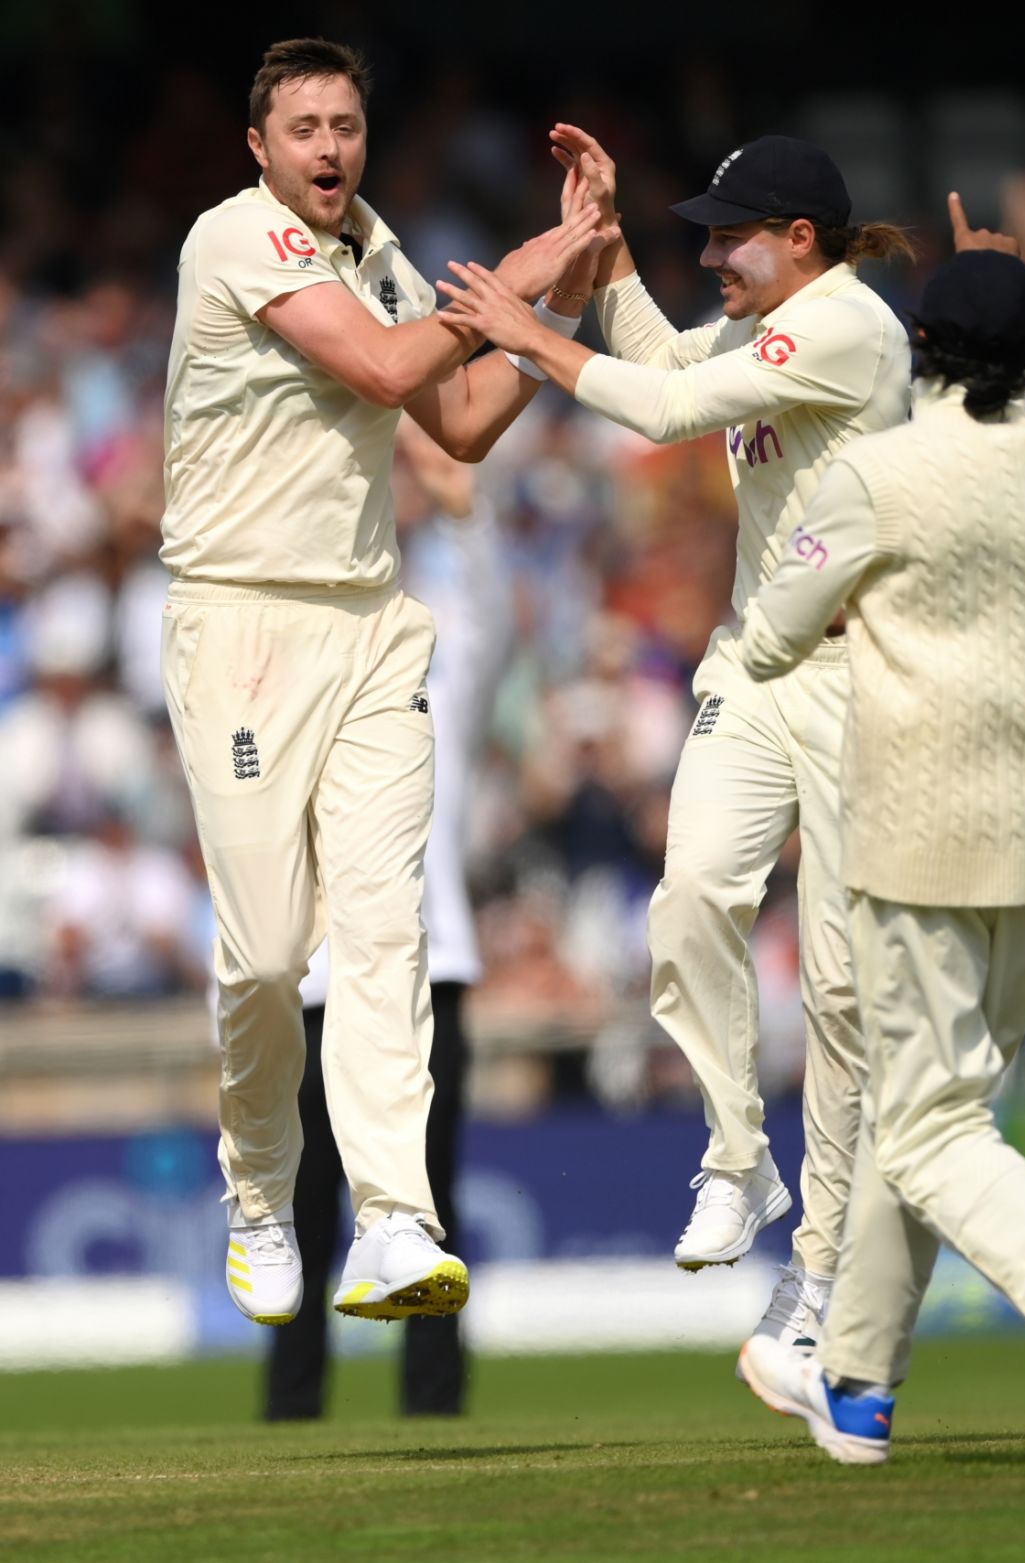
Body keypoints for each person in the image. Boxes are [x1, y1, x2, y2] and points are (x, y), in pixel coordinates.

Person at [732, 201, 1025, 1466]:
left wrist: (854, 614)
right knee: (930, 1108)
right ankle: (858, 1389)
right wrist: (1005, 291)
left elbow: (775, 631)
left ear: (925, 350)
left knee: (929, 1130)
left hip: (909, 836)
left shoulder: (878, 474)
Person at [437, 127, 913, 1351]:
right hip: (754, 667)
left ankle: (818, 1279)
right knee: (691, 892)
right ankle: (738, 1152)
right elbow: (659, 360)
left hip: (861, 677)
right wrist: (599, 253)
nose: (708, 254)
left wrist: (525, 326)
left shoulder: (847, 327)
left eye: (727, 236)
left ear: (799, 241)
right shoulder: (772, 326)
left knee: (839, 991)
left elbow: (663, 410)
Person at [160, 37, 605, 1329]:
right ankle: (259, 1194)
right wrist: (526, 266)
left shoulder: (378, 244)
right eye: (302, 127)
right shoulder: (232, 239)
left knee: (385, 927)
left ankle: (396, 1217)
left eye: (345, 124)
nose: (328, 148)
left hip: (368, 625)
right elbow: (386, 367)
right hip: (242, 626)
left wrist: (554, 308)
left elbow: (458, 420)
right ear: (259, 146)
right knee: (261, 956)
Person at [266, 428, 511, 1418]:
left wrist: (461, 506)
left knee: (427, 1203)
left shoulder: (433, 678)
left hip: (425, 974)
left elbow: (489, 619)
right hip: (315, 985)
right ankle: (290, 1409)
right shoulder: (284, 683)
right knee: (304, 1211)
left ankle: (434, 1404)